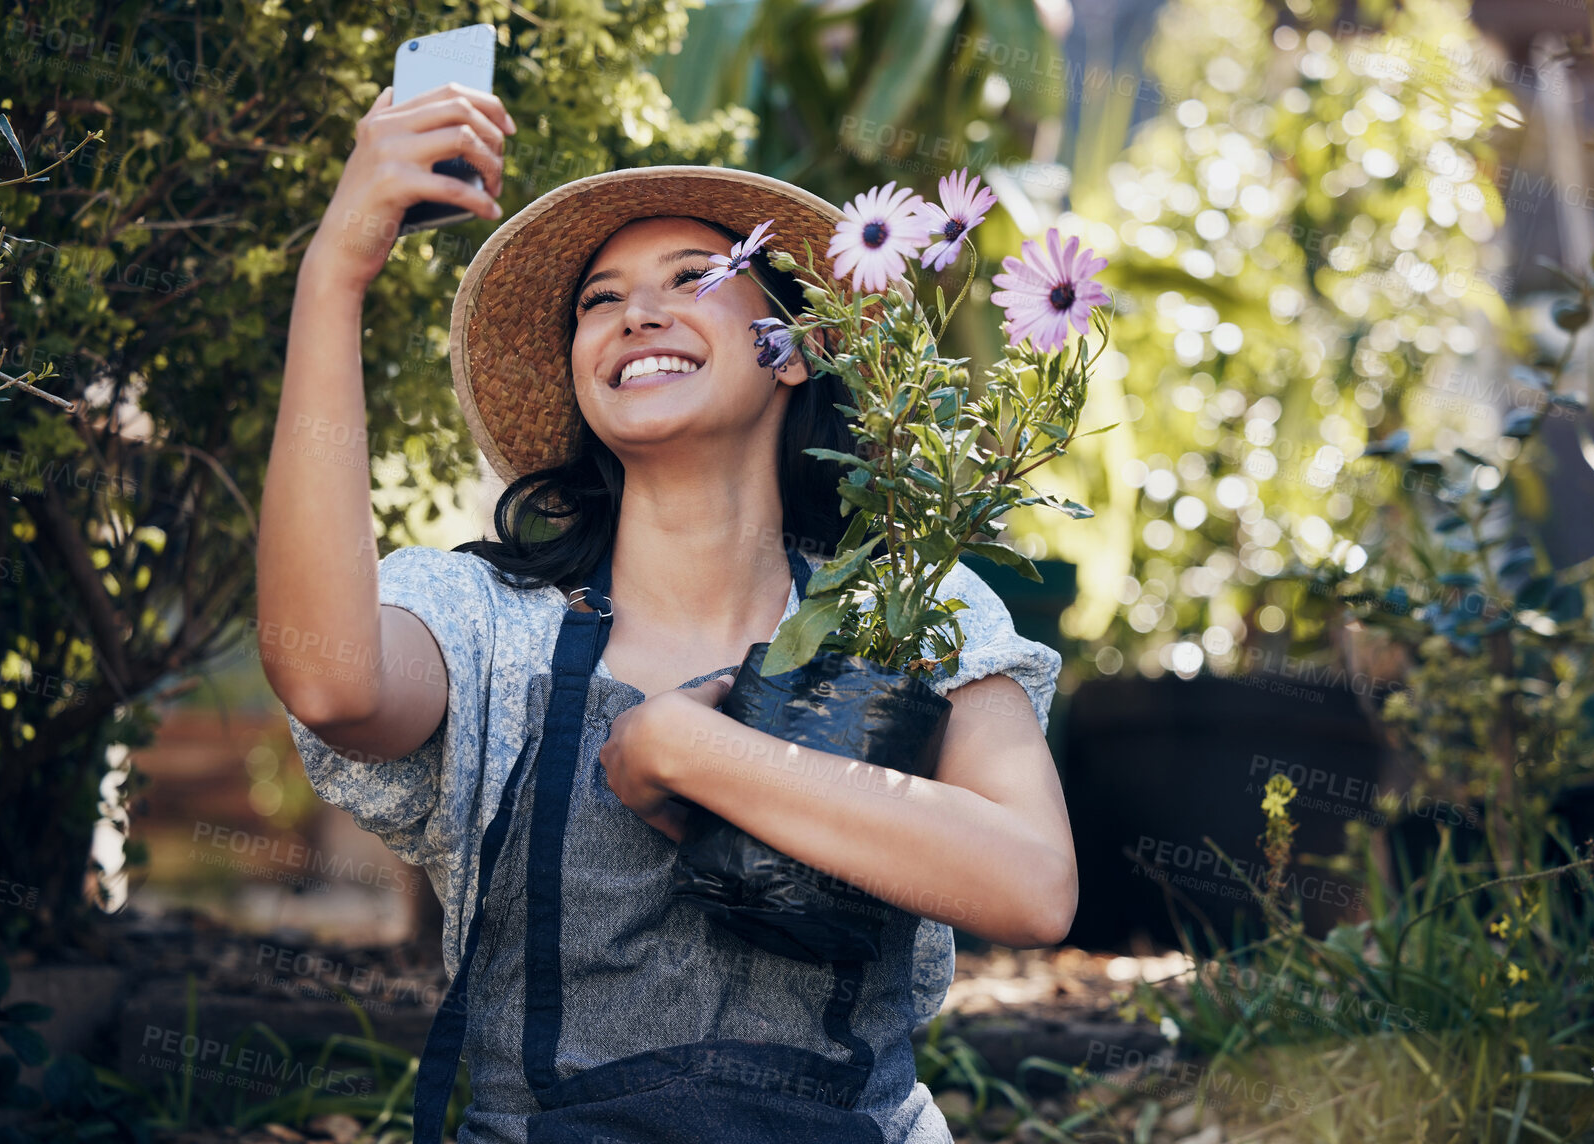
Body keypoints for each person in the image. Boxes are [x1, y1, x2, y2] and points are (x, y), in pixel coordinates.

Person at [258, 80, 1076, 1144]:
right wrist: (336, 274)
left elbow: (1032, 883)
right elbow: (327, 680)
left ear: (796, 348)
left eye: (695, 276)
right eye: (598, 300)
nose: (636, 312)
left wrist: (692, 750)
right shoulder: (488, 621)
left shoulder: (907, 606)